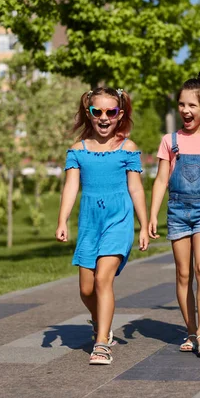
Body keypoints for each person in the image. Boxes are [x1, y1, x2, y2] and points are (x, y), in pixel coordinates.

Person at [56, 87, 149, 365]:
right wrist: (62, 220)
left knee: (102, 279)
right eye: (98, 112)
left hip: (118, 220)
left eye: (111, 112)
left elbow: (136, 189)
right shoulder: (78, 150)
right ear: (89, 113)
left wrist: (143, 225)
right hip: (89, 224)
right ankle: (101, 321)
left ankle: (101, 343)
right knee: (86, 289)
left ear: (120, 114)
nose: (104, 117)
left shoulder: (127, 148)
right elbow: (71, 187)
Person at [149, 71, 200, 356]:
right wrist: (151, 216)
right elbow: (160, 181)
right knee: (183, 273)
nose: (185, 110)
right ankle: (190, 330)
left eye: (192, 105)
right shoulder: (169, 140)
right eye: (182, 104)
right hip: (178, 210)